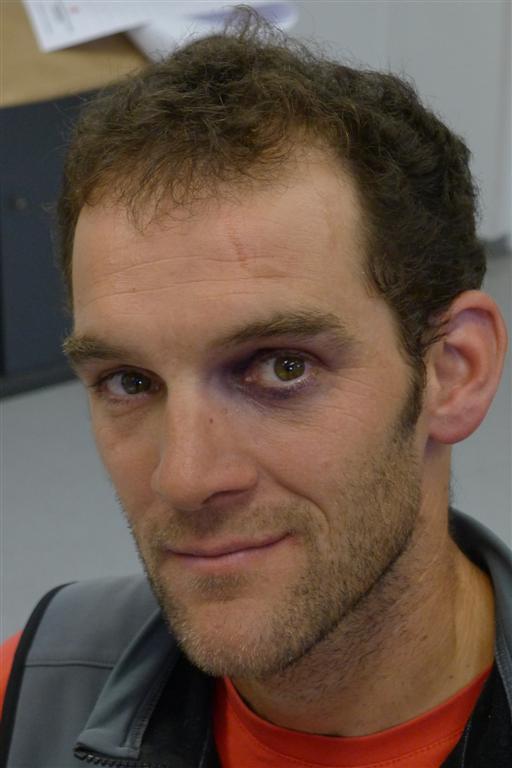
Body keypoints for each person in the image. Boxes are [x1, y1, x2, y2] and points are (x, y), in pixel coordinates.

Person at [0, 11, 510, 768]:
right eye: (129, 381)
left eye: (281, 368)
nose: (185, 478)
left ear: (452, 371)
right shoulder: (34, 694)